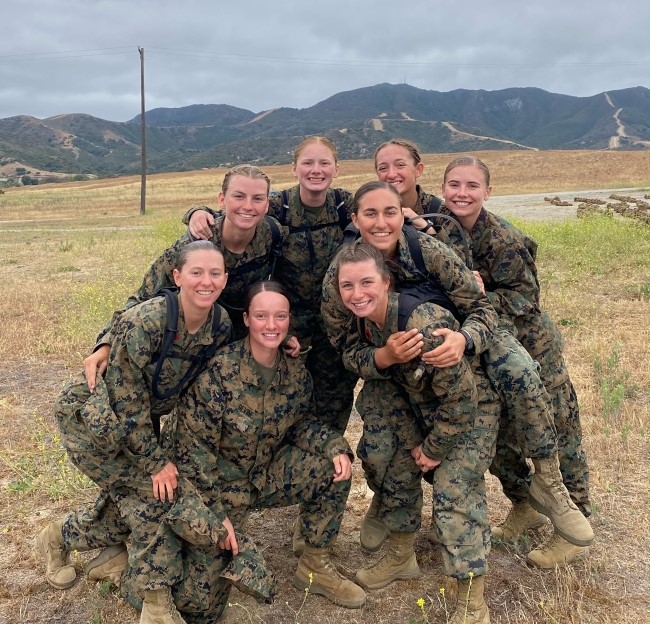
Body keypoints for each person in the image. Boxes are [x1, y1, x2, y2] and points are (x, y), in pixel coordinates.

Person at [39, 241, 232, 624]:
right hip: (92, 421)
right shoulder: (145, 321)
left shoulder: (220, 325)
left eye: (215, 273)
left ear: (226, 279)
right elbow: (126, 401)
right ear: (177, 277)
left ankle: (64, 536)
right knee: (153, 495)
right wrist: (157, 461)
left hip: (137, 425)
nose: (206, 281)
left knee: (143, 493)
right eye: (196, 272)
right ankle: (156, 606)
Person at [165, 281, 366, 621]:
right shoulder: (219, 374)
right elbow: (193, 458)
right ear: (246, 319)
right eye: (261, 316)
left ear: (289, 321)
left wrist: (334, 446)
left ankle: (314, 565)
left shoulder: (295, 373)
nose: (271, 325)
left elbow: (302, 422)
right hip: (218, 488)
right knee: (198, 606)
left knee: (334, 469)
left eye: (279, 316)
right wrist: (215, 516)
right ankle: (133, 572)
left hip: (264, 474)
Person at [436, 155, 593, 567]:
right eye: (454, 185)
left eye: (472, 186)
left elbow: (526, 300)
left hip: (533, 346)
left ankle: (575, 522)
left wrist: (481, 295)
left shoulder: (502, 239)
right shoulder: (442, 229)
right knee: (502, 433)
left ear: (488, 191)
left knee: (560, 428)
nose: (461, 194)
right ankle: (524, 507)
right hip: (491, 346)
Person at [333, 240, 499, 624]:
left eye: (366, 283)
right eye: (347, 286)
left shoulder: (423, 323)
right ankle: (402, 552)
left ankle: (471, 603)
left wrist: (435, 448)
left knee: (454, 490)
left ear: (387, 282)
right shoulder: (362, 319)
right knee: (383, 454)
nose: (357, 294)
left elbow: (462, 397)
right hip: (414, 403)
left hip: (468, 413)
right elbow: (351, 356)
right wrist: (385, 357)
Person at [187, 137, 358, 437]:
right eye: (307, 162)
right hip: (286, 325)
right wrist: (196, 212)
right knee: (282, 399)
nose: (315, 170)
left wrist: (411, 215)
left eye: (324, 163)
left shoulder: (345, 204)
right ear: (294, 168)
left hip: (335, 325)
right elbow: (242, 209)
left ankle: (327, 460)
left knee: (334, 402)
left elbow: (383, 210)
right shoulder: (280, 206)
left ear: (337, 169)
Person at [83, 164, 294, 392]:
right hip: (199, 341)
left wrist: (287, 333)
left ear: (266, 205)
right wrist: (105, 344)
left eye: (257, 199)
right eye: (239, 196)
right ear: (221, 200)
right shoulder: (192, 246)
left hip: (249, 337)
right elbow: (142, 298)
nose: (248, 206)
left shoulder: (273, 235)